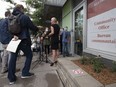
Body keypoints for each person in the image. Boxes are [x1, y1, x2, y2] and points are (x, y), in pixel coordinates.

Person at [8, 4, 39, 85]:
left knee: (13, 58)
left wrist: (13, 36)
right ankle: (25, 73)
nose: (24, 10)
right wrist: (37, 29)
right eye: (23, 9)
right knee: (29, 55)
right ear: (21, 9)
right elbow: (32, 26)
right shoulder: (24, 17)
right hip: (23, 40)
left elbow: (8, 30)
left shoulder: (10, 17)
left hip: (14, 40)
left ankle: (11, 78)